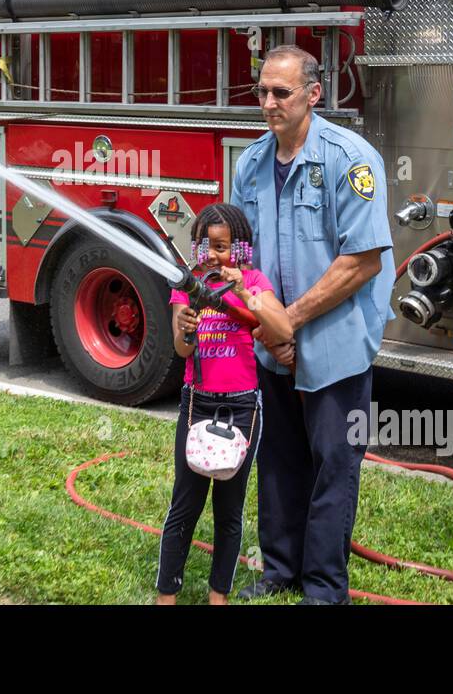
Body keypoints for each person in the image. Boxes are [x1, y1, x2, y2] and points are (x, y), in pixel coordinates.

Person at [229, 45, 395, 605]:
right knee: (278, 460)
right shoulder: (251, 163)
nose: (268, 103)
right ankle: (279, 569)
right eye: (262, 92)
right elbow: (240, 256)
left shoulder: (351, 159)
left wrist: (288, 323)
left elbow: (362, 261)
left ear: (314, 94)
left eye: (281, 92)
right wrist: (268, 324)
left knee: (333, 467)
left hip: (335, 344)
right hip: (273, 343)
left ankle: (324, 587)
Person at [157, 203, 291, 605]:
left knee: (229, 510)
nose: (214, 255)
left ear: (240, 248)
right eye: (207, 246)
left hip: (242, 408)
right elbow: (182, 350)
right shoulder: (188, 284)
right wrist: (186, 329)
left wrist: (243, 292)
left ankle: (219, 596)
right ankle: (166, 596)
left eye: (222, 246)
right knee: (185, 503)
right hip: (197, 403)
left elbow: (282, 328)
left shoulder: (253, 281)